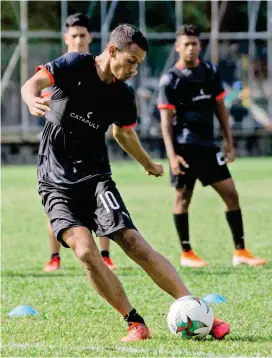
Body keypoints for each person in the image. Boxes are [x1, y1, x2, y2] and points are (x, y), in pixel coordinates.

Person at [21, 23, 230, 341]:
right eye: (131, 60)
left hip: (95, 178)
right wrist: (30, 99)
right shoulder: (76, 63)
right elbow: (31, 83)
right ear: (113, 50)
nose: (134, 69)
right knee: (85, 252)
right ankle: (135, 323)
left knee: (132, 241)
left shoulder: (123, 94)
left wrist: (148, 163)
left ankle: (198, 311)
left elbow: (122, 132)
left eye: (139, 63)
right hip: (55, 181)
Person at [158, 24, 267, 268]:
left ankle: (240, 251)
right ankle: (187, 253)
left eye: (194, 43)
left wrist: (229, 141)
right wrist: (172, 156)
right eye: (185, 44)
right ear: (177, 47)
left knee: (231, 194)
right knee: (183, 199)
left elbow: (220, 108)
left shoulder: (209, 70)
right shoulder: (170, 80)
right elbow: (165, 123)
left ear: (200, 46)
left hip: (208, 147)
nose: (190, 48)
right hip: (184, 148)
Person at [41, 13, 117, 272]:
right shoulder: (58, 68)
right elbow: (43, 96)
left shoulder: (99, 69)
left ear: (90, 38)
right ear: (65, 38)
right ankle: (54, 257)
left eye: (82, 35)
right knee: (56, 202)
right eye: (73, 36)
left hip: (92, 147)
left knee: (102, 197)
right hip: (58, 151)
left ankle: (105, 255)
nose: (77, 40)